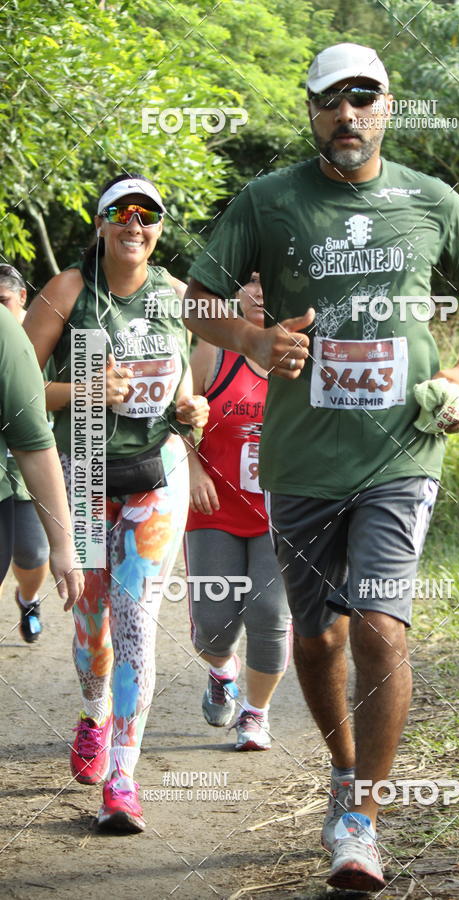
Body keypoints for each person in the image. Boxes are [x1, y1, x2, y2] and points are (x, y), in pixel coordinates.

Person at [183, 43, 459, 891]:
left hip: (402, 451)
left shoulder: (429, 199)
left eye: (365, 98)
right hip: (300, 462)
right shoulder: (269, 200)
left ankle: (361, 818)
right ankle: (343, 768)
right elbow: (200, 297)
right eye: (332, 100)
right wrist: (253, 339)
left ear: (389, 106)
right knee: (319, 638)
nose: (348, 114)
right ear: (313, 111)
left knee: (378, 626)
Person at [24, 173, 209, 835]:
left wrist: (194, 407)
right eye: (122, 213)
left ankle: (123, 778)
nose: (136, 225)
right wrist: (86, 389)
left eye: (149, 215)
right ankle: (95, 714)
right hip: (85, 474)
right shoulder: (70, 291)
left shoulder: (176, 297)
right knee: (92, 620)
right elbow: (16, 391)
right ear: (101, 223)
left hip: (157, 476)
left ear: (160, 226)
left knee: (135, 617)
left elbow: (184, 382)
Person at [184, 274, 291, 751]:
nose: (260, 292)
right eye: (251, 282)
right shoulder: (212, 349)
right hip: (214, 506)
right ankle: (221, 670)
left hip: (281, 510)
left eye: (269, 282)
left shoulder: (302, 357)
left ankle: (255, 713)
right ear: (236, 295)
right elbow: (180, 414)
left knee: (269, 613)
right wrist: (192, 470)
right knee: (214, 623)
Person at [0, 303, 82, 610]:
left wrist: (62, 544)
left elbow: (31, 440)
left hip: (18, 481)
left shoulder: (5, 331)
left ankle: (29, 599)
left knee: (33, 552)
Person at [0, 264, 53, 642]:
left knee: (33, 554)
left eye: (3, 301)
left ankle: (29, 599)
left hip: (32, 472)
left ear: (22, 298)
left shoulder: (45, 340)